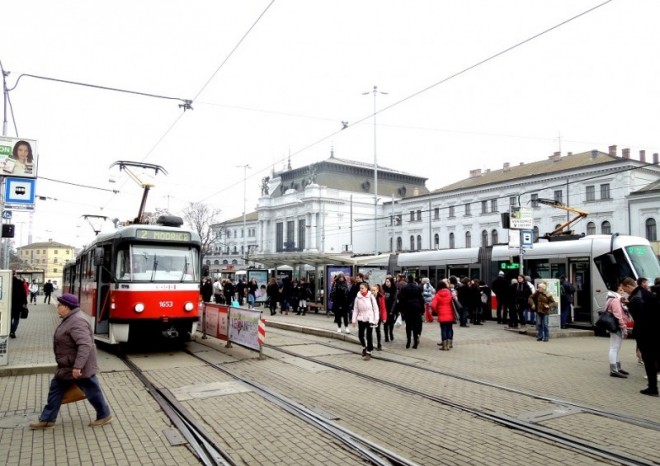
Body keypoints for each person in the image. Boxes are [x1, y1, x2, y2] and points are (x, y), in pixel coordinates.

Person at [30, 293, 112, 429]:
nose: (58, 307)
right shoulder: (70, 319)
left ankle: (104, 415)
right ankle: (47, 419)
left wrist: (77, 367)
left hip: (78, 368)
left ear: (67, 307)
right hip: (67, 366)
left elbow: (85, 345)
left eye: (60, 305)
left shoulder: (77, 322)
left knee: (92, 391)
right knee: (56, 389)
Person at [621, 277, 660, 396]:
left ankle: (652, 388)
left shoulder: (636, 297)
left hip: (646, 334)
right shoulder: (645, 293)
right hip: (654, 331)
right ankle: (652, 387)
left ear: (628, 285)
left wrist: (630, 305)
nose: (624, 291)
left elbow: (641, 315)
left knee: (649, 360)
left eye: (624, 288)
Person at [604, 285, 631, 378]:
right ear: (616, 290)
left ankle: (617, 367)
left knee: (616, 347)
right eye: (620, 289)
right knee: (614, 347)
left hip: (615, 326)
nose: (622, 291)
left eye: (623, 289)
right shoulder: (615, 300)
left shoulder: (611, 298)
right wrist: (624, 327)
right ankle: (614, 370)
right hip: (617, 326)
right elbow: (618, 315)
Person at [352, 282, 379, 360]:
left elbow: (376, 309)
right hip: (361, 318)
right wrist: (354, 320)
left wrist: (376, 319)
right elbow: (355, 310)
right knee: (360, 335)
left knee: (369, 335)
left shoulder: (371, 297)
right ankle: (364, 347)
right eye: (360, 288)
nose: (361, 289)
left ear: (367, 289)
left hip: (370, 318)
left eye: (362, 288)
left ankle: (369, 352)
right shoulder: (357, 297)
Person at [397, 275, 424, 349]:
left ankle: (408, 341)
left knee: (408, 325)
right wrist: (422, 310)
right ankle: (415, 342)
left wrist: (401, 309)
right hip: (417, 307)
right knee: (416, 325)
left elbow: (401, 298)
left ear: (408, 279)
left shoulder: (404, 288)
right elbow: (421, 299)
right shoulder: (418, 287)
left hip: (407, 308)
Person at [431, 280, 454, 351]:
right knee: (449, 329)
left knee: (443, 329)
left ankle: (444, 346)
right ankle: (450, 344)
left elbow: (433, 305)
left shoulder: (437, 295)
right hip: (450, 314)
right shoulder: (449, 293)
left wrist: (436, 311)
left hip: (442, 315)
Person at [10, 271, 28, 338]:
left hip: (9, 305)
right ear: (15, 274)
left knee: (9, 319)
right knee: (16, 318)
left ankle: (10, 330)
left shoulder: (7, 281)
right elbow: (24, 294)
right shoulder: (20, 282)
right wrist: (25, 302)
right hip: (18, 305)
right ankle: (13, 331)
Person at [371, 284, 387, 350]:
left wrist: (384, 318)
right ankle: (370, 345)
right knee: (370, 330)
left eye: (374, 290)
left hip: (378, 316)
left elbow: (383, 308)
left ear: (377, 290)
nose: (372, 292)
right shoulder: (369, 297)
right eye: (371, 290)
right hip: (370, 316)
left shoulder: (381, 297)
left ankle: (379, 345)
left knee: (377, 330)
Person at [382, 276, 398, 342]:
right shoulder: (383, 289)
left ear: (391, 282)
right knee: (385, 322)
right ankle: (386, 336)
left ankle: (391, 333)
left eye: (388, 281)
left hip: (392, 308)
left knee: (391, 323)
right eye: (386, 281)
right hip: (385, 308)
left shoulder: (394, 289)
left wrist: (392, 310)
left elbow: (395, 300)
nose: (386, 283)